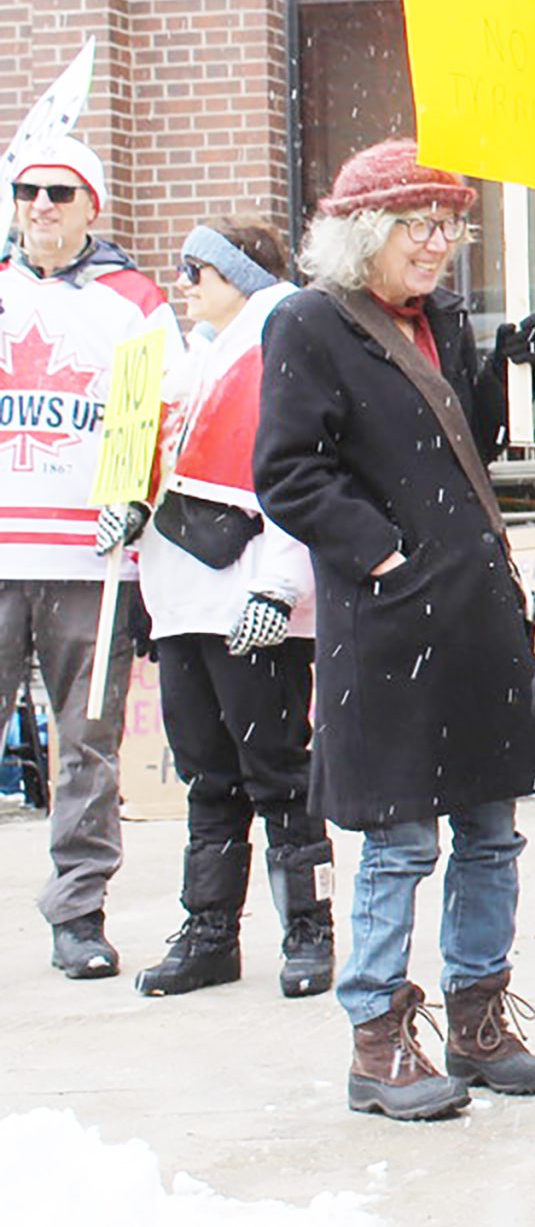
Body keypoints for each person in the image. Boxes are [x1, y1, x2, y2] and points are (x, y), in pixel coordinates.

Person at [253, 139, 535, 1122]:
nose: (439, 244)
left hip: (470, 611)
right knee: (396, 842)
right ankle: (378, 1039)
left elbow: (460, 444)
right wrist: (384, 554)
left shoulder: (444, 319)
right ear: (361, 232)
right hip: (387, 623)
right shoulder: (309, 321)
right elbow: (289, 469)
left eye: (449, 224)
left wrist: (508, 372)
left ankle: (476, 1019)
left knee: (490, 832)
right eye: (418, 225)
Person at [104, 218, 332, 999]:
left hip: (246, 595)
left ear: (242, 274)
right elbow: (161, 463)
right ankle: (211, 931)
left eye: (200, 268)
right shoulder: (191, 361)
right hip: (183, 595)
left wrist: (280, 584)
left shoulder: (276, 349)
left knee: (279, 774)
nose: (186, 282)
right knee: (209, 775)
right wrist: (126, 505)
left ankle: (310, 926)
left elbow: (295, 480)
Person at [0, 134, 176, 979]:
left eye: (60, 193)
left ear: (90, 207)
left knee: (89, 744)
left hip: (90, 559)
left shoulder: (132, 302)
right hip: (3, 552)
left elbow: (165, 412)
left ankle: (79, 912)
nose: (41, 206)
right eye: (28, 190)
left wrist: (138, 500)